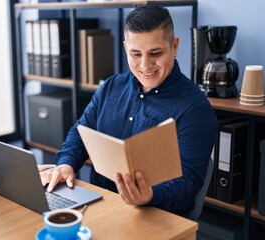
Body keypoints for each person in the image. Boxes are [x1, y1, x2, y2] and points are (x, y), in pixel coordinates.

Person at [40, 5, 218, 218]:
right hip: (100, 206)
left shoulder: (195, 109)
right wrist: (66, 164)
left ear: (174, 46)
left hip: (154, 215)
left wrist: (149, 195)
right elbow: (81, 132)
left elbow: (188, 184)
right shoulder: (111, 87)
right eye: (136, 54)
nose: (145, 65)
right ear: (126, 49)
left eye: (155, 53)